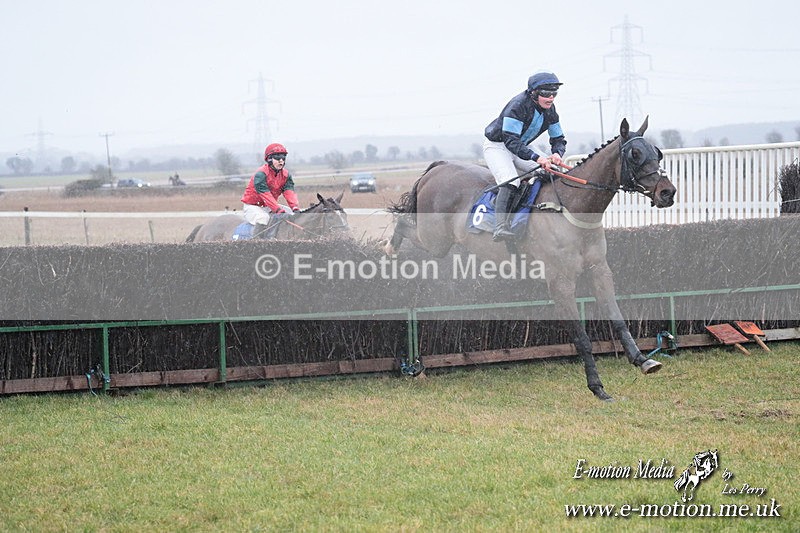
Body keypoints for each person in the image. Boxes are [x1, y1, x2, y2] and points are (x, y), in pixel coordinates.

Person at [483, 71, 567, 240]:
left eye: (554, 93)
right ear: (533, 93)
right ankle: (500, 226)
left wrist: (557, 153)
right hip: (499, 146)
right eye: (545, 94)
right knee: (511, 180)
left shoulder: (551, 110)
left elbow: (558, 138)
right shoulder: (518, 105)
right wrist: (536, 158)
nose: (550, 98)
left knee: (554, 171)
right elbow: (510, 141)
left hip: (522, 144)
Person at [241, 143, 301, 237]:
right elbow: (266, 195)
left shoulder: (286, 175)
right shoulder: (261, 174)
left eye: (283, 158)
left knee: (292, 215)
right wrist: (277, 210)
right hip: (252, 206)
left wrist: (295, 208)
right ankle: (256, 244)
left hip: (269, 206)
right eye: (277, 158)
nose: (281, 161)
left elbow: (289, 193)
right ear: (269, 159)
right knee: (263, 218)